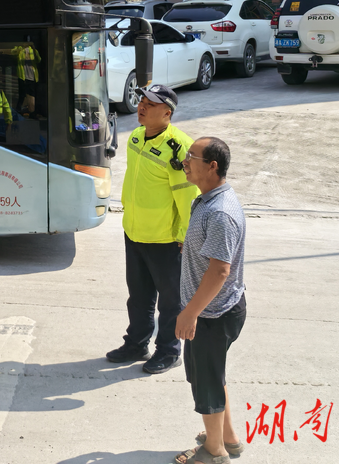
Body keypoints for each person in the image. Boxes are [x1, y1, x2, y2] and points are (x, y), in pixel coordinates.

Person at [106, 84, 198, 374]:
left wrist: (185, 237)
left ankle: (169, 351)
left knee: (171, 301)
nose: (142, 106)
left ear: (167, 113)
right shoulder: (135, 137)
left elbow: (188, 198)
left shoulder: (180, 147)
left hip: (165, 239)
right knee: (139, 295)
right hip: (134, 232)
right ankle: (136, 343)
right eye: (142, 100)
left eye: (151, 104)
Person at [172, 137, 247, 464]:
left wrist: (190, 313)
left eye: (191, 157)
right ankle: (227, 438)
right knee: (212, 376)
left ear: (212, 166)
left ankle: (214, 452)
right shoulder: (207, 199)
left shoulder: (220, 212)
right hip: (213, 310)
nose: (185, 161)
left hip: (212, 315)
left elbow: (219, 271)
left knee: (206, 385)